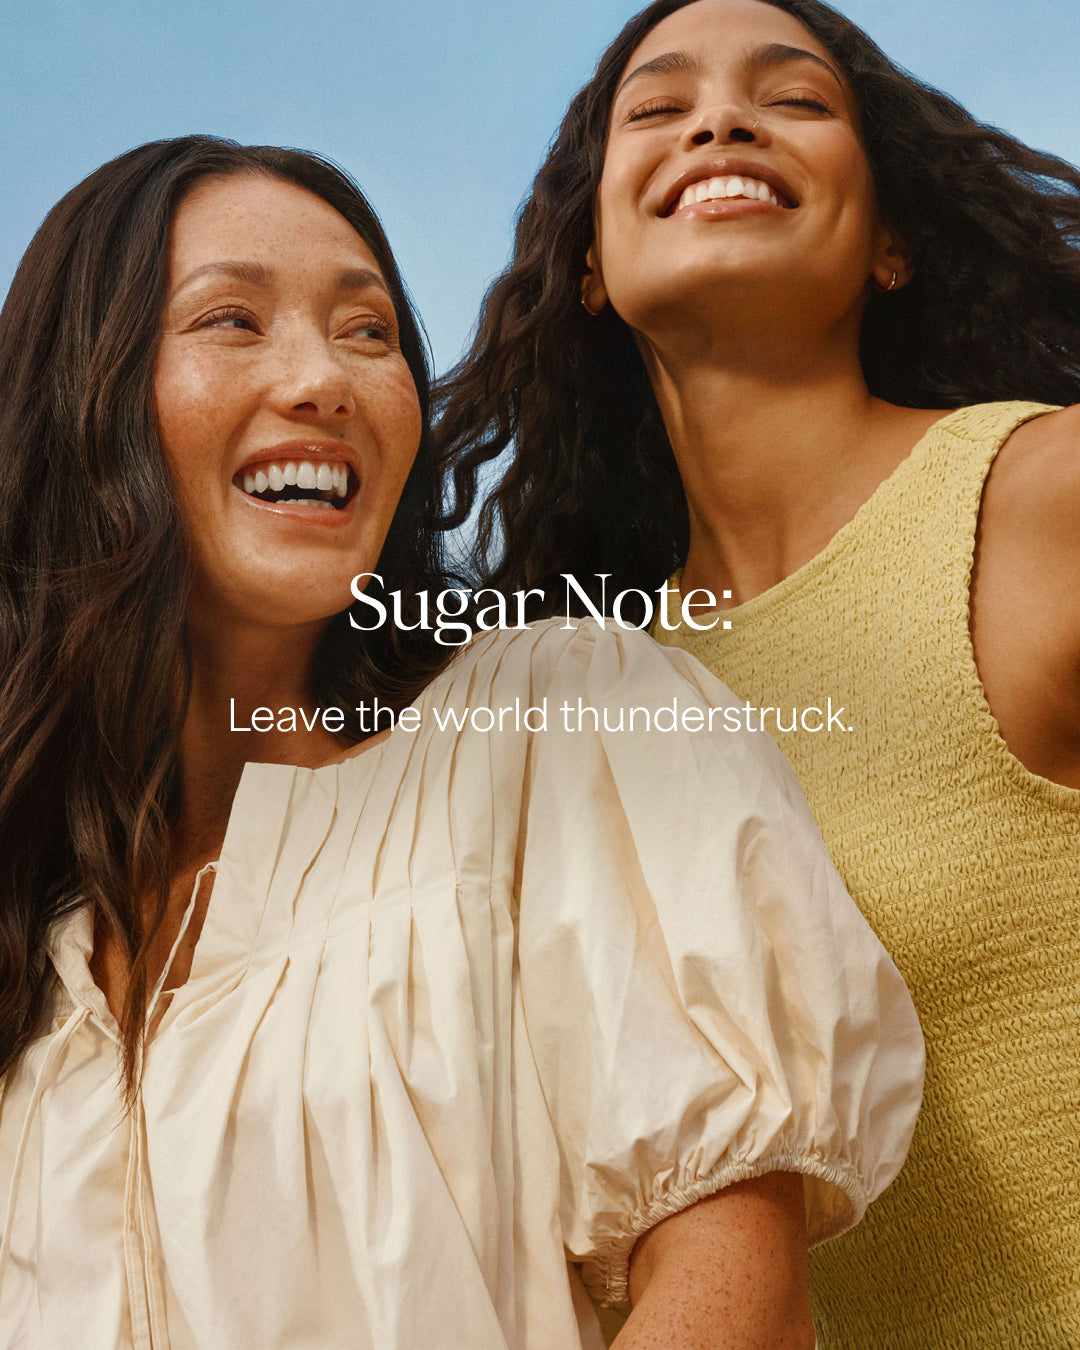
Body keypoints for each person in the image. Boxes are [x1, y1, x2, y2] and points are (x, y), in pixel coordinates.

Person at [0, 135, 922, 1350]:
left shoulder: (561, 719)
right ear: (80, 394)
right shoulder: (34, 927)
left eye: (370, 332)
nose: (323, 377)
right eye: (231, 320)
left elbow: (730, 1282)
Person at [434, 0, 1080, 1345]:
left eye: (793, 97)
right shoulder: (593, 702)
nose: (719, 120)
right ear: (590, 266)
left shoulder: (1041, 500)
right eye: (657, 110)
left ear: (893, 238)